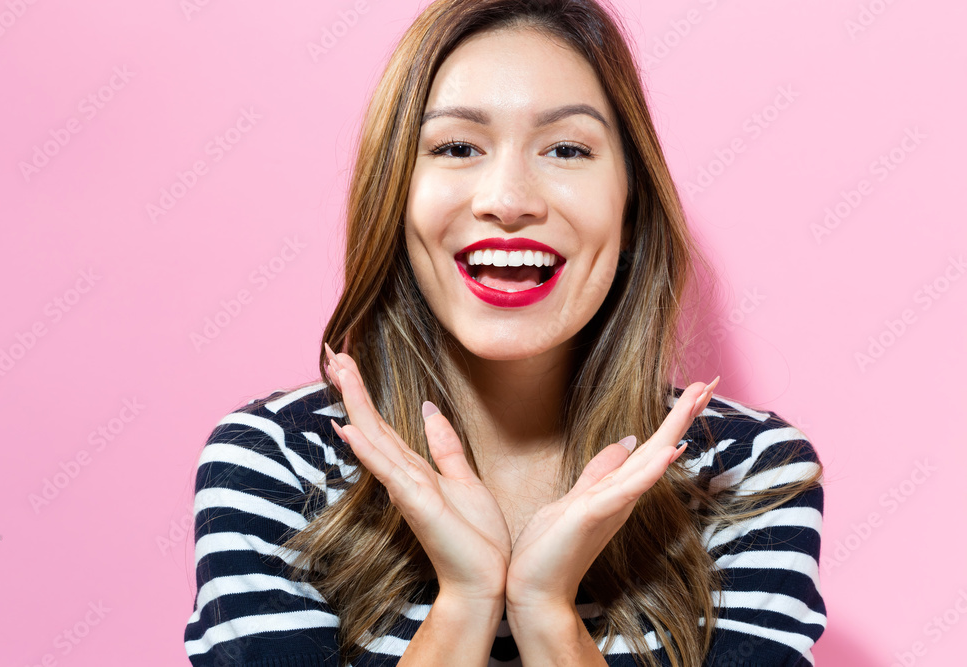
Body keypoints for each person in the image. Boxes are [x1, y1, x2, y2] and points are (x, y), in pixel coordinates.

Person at [183, 1, 826, 665]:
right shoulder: (278, 464)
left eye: (568, 149)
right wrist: (465, 601)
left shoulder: (750, 477)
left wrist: (546, 613)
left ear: (632, 206)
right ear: (395, 198)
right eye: (457, 147)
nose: (509, 198)